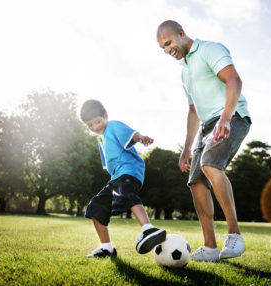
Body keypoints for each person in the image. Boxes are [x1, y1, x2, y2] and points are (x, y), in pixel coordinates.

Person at [157, 20, 251, 262]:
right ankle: (210, 248)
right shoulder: (184, 72)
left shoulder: (210, 49)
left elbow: (234, 80)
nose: (168, 50)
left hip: (232, 116)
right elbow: (192, 110)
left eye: (168, 43)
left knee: (210, 164)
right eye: (162, 48)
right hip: (207, 124)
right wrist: (186, 148)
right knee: (196, 181)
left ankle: (235, 235)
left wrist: (226, 119)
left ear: (181, 33)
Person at [80, 99, 166, 258]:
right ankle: (107, 249)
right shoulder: (100, 139)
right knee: (94, 207)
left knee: (126, 192)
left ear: (105, 115)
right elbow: (109, 163)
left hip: (129, 170)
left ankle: (148, 229)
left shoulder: (113, 126)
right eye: (90, 125)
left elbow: (132, 134)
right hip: (116, 177)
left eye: (98, 121)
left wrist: (141, 138)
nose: (95, 127)